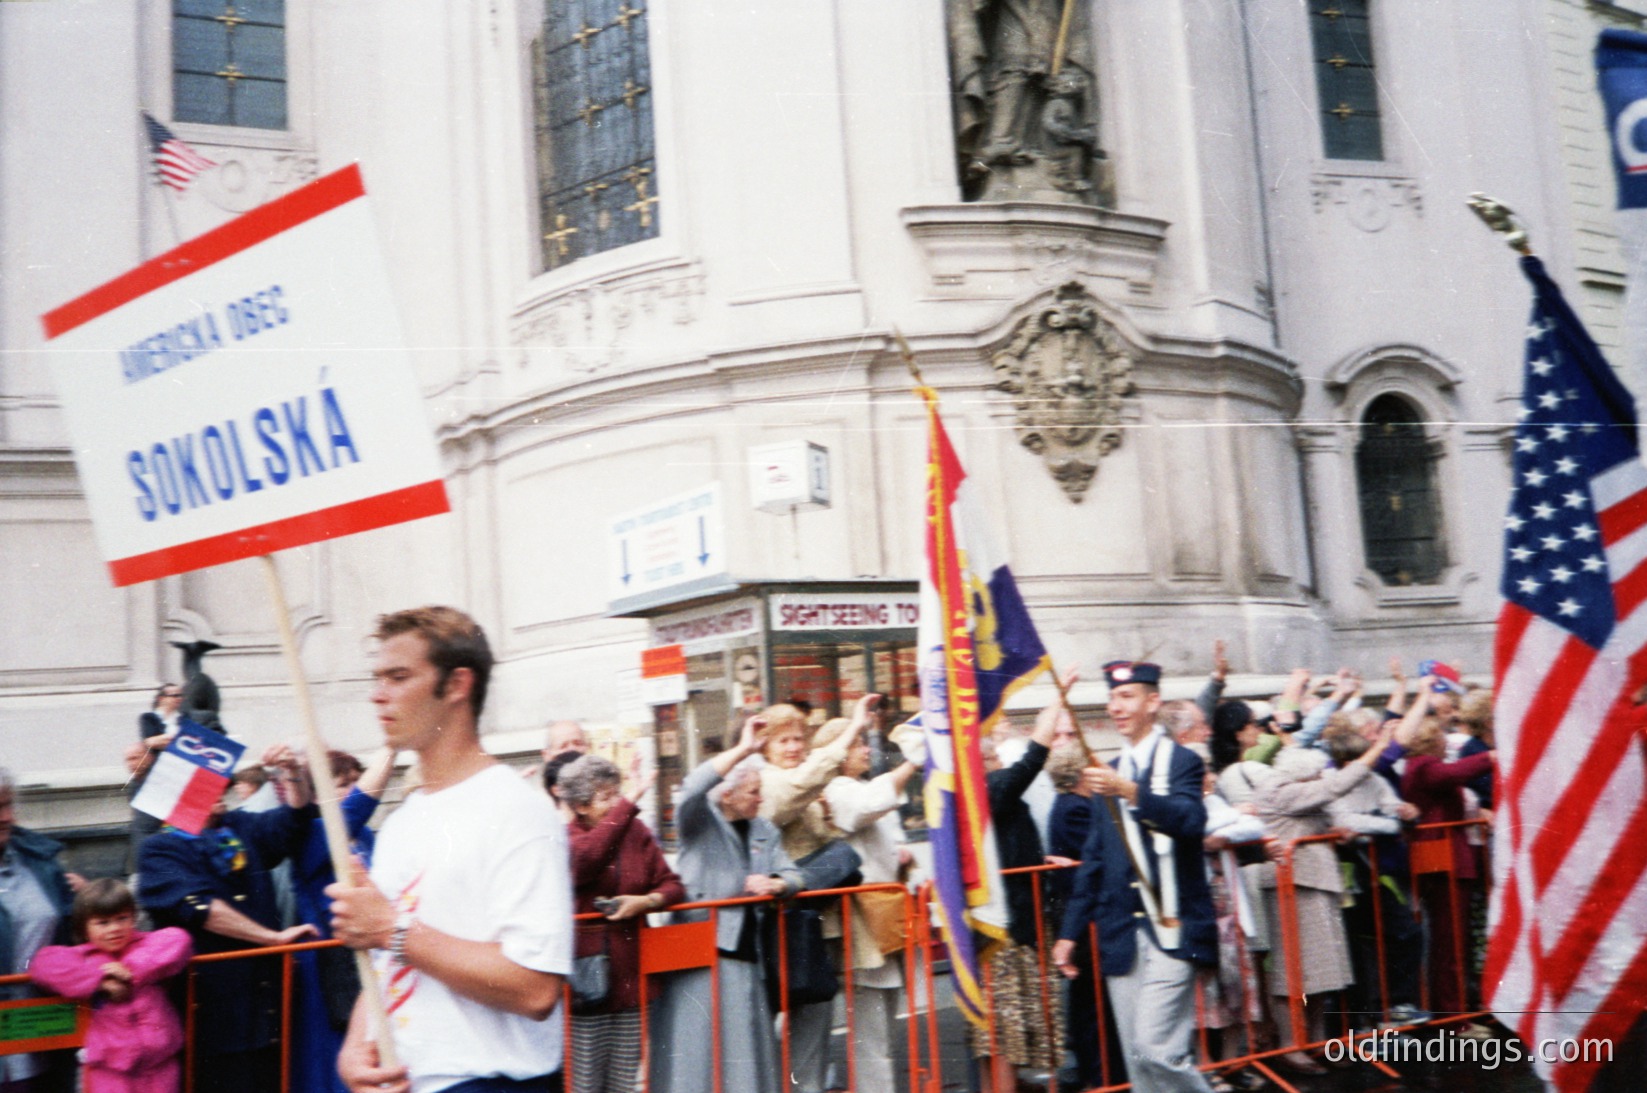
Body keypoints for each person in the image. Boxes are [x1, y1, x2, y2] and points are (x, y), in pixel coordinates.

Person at [329, 606, 571, 1093]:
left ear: (457, 685)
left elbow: (535, 987)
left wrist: (391, 928)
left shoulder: (518, 811)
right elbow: (386, 960)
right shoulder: (401, 821)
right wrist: (357, 1046)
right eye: (376, 678)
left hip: (488, 1081)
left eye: (399, 677)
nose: (379, 695)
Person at [1052, 661, 1216, 1093]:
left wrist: (1128, 791)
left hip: (1173, 928)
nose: (1115, 707)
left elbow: (1189, 819)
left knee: (1156, 1046)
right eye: (1112, 698)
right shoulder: (1110, 769)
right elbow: (1094, 860)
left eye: (1126, 697)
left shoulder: (1180, 762)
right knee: (1139, 1064)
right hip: (1121, 931)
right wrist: (1069, 934)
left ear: (1152, 701)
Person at [136, 745, 319, 1093]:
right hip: (213, 1013)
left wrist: (293, 774)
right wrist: (272, 939)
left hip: (265, 1007)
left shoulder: (237, 827)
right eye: (207, 783)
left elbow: (292, 822)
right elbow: (202, 908)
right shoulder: (159, 850)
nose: (221, 787)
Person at [649, 715, 803, 1093]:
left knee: (745, 1051)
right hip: (699, 948)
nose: (760, 798)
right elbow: (691, 788)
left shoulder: (764, 829)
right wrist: (743, 750)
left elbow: (796, 875)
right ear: (728, 793)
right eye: (752, 792)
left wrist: (777, 883)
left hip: (746, 951)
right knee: (695, 1051)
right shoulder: (700, 821)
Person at [1253, 721, 1396, 1072]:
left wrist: (1335, 834)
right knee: (1294, 973)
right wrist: (1379, 748)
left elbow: (1323, 817)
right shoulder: (1282, 790)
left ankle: (1314, 1041)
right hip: (1293, 887)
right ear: (1305, 776)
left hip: (1315, 884)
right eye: (1316, 775)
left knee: (1321, 971)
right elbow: (1336, 786)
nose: (1321, 780)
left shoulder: (1299, 790)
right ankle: (1291, 1044)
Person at [755, 699, 872, 1093]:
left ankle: (807, 1085)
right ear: (765, 747)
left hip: (812, 922)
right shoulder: (767, 780)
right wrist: (852, 729)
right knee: (775, 1015)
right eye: (783, 740)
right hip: (778, 924)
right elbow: (792, 790)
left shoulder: (800, 783)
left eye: (798, 739)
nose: (793, 747)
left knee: (815, 1015)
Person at [559, 755, 684, 1093]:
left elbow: (671, 884)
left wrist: (646, 902)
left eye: (618, 794)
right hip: (587, 984)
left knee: (624, 1081)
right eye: (606, 797)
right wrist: (629, 803)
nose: (616, 803)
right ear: (581, 806)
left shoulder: (635, 831)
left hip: (631, 979)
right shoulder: (567, 837)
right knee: (584, 1083)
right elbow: (586, 860)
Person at [816, 713, 919, 1093]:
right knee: (872, 1034)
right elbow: (867, 804)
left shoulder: (853, 785)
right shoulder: (837, 789)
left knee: (883, 1027)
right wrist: (914, 764)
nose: (865, 750)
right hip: (863, 924)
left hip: (883, 919)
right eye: (857, 743)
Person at [971, 685, 1065, 1092]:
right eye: (990, 756)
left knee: (1003, 1031)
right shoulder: (986, 790)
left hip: (1009, 918)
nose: (997, 762)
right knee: (1002, 1032)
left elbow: (1006, 841)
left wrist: (1038, 862)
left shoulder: (988, 793)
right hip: (1003, 928)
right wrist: (1055, 708)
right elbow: (1029, 763)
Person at [289, 749, 396, 1093]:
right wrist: (393, 749)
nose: (353, 788)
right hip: (329, 963)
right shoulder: (313, 834)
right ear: (318, 793)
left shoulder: (364, 835)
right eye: (343, 783)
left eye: (355, 781)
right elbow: (358, 806)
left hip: (368, 951)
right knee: (336, 1061)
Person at [30, 878, 192, 1093]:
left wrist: (131, 970)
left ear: (134, 918)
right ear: (84, 928)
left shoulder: (146, 945)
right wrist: (100, 980)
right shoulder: (82, 956)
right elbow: (42, 963)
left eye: (122, 918)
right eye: (103, 923)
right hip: (109, 1070)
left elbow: (179, 939)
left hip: (160, 1065)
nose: (114, 928)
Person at [0, 767, 80, 1092]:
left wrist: (87, 901)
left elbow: (68, 930)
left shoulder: (40, 861)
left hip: (43, 1025)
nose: (5, 817)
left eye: (7, 805)